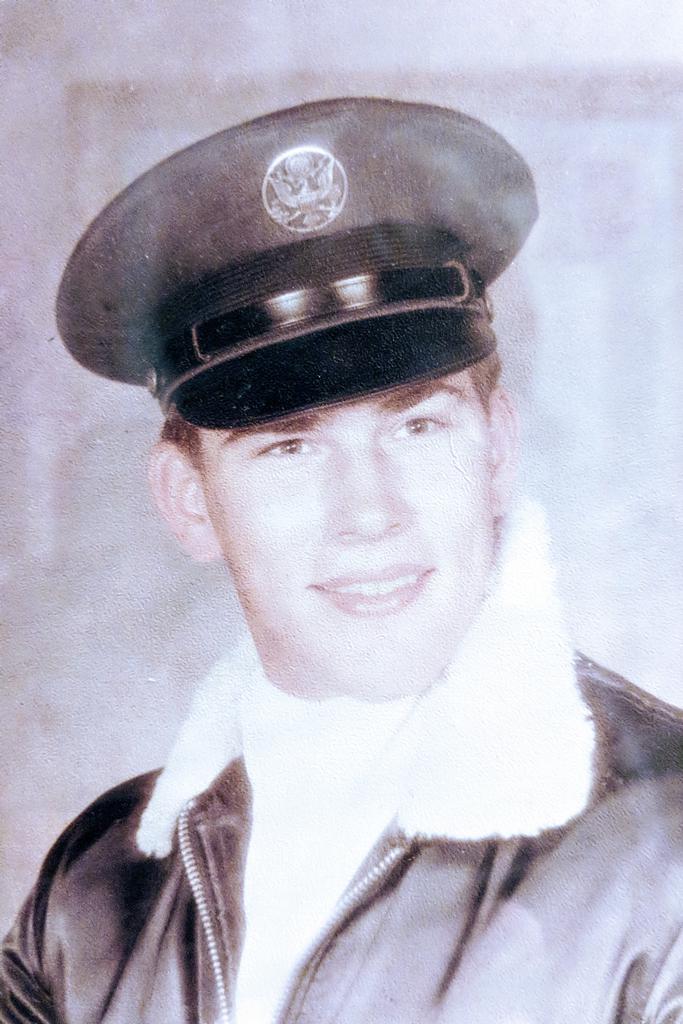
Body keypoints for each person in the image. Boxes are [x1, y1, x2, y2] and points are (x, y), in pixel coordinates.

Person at [2, 97, 683, 1024]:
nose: (369, 514)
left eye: (417, 427)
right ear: (189, 501)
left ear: (495, 450)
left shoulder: (665, 853)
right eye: (289, 448)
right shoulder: (92, 897)